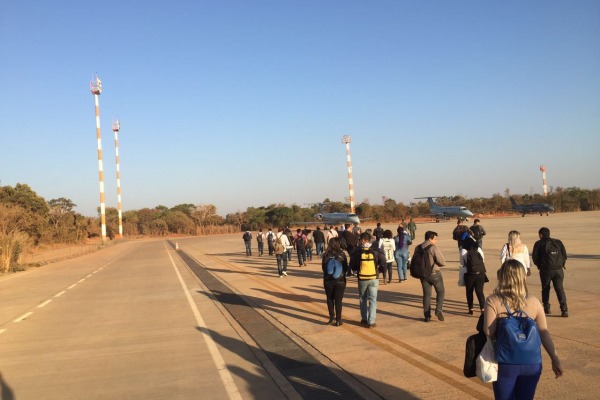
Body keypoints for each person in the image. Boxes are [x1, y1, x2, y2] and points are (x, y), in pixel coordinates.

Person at [484, 259, 563, 399]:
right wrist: (555, 359)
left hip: (506, 362)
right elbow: (544, 334)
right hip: (532, 362)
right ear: (523, 277)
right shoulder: (534, 301)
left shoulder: (493, 300)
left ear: (502, 276)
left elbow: (489, 331)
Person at [350, 231, 386, 328]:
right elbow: (383, 262)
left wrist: (357, 269)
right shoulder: (376, 250)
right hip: (374, 277)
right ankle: (371, 321)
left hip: (362, 278)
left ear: (362, 240)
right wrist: (379, 271)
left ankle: (364, 318)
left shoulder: (357, 251)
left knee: (362, 298)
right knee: (373, 299)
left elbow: (352, 265)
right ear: (369, 240)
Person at [532, 227, 569, 317]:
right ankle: (564, 309)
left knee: (545, 288)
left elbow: (535, 257)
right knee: (559, 289)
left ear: (540, 235)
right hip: (558, 270)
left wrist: (540, 266)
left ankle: (546, 308)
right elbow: (564, 255)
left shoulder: (539, 243)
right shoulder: (558, 242)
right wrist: (561, 264)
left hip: (546, 270)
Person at [418, 231, 447, 322]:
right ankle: (438, 310)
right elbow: (442, 261)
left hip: (423, 274)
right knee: (440, 291)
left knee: (427, 295)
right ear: (430, 239)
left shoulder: (418, 247)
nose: (436, 240)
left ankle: (427, 315)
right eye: (435, 239)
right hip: (434, 273)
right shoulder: (433, 248)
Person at [322, 237, 349, 326]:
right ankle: (338, 320)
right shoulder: (342, 254)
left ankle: (331, 317)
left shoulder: (325, 255)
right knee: (338, 300)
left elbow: (323, 268)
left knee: (329, 299)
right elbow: (345, 268)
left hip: (328, 281)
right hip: (340, 281)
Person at [461, 236, 487, 315]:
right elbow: (483, 259)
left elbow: (462, 262)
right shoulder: (478, 249)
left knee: (469, 291)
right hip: (480, 273)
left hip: (469, 274)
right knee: (479, 291)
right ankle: (483, 309)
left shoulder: (464, 250)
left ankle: (471, 309)